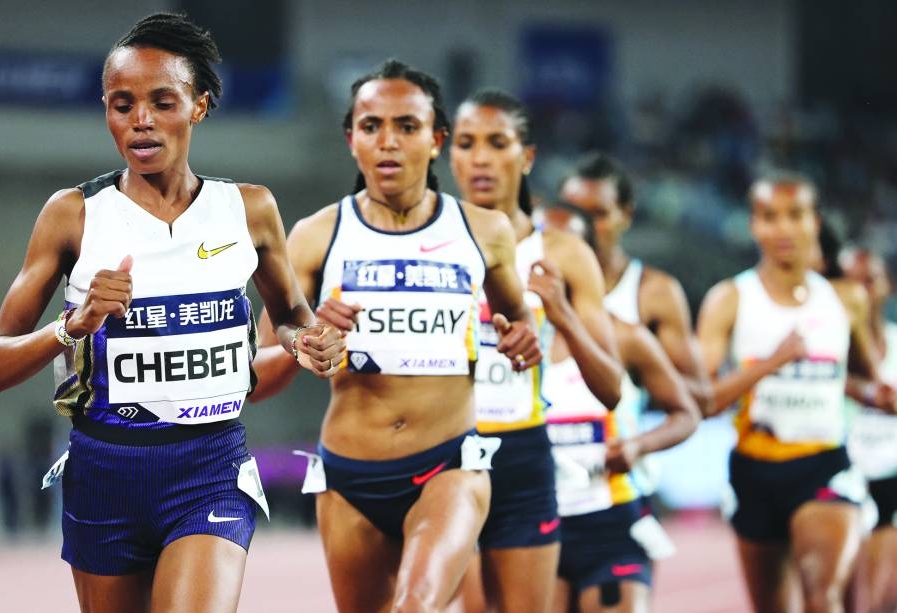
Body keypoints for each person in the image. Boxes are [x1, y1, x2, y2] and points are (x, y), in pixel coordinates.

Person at [0, 13, 344, 613]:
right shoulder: (72, 216)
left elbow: (295, 316)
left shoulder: (248, 211)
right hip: (104, 470)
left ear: (198, 106)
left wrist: (311, 341)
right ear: (105, 110)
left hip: (210, 465)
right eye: (122, 105)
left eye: (161, 102)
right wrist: (69, 327)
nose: (140, 120)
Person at [251, 60, 542, 612]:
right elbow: (258, 378)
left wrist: (522, 339)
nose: (388, 142)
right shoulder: (315, 237)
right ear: (351, 140)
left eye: (406, 127)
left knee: (416, 606)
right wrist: (306, 342)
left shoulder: (484, 232)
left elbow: (518, 322)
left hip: (449, 465)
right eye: (371, 126)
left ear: (435, 141)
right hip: (348, 478)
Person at [447, 89, 622, 612]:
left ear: (526, 157)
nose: (480, 158)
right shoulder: (420, 239)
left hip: (522, 457)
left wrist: (560, 311)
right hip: (445, 456)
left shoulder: (565, 253)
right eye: (466, 143)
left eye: (497, 143)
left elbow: (611, 389)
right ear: (447, 152)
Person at [696, 173, 897, 613]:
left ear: (815, 221)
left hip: (823, 466)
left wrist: (875, 395)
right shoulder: (730, 299)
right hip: (755, 468)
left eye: (796, 216)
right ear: (753, 225)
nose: (783, 229)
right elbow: (701, 399)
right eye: (770, 217)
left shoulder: (845, 300)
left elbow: (863, 373)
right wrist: (772, 362)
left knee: (822, 597)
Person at [541, 203, 700, 613]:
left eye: (562, 247)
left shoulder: (624, 337)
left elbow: (687, 413)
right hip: (536, 525)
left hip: (610, 522)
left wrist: (638, 447)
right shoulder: (511, 335)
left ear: (586, 259)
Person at [553, 153, 713, 415]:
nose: (585, 227)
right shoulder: (536, 285)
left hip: (618, 450)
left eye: (599, 214)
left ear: (626, 215)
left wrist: (644, 369)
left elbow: (702, 400)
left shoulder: (654, 292)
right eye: (575, 212)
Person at [841, 247, 897, 613]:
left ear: (887, 287)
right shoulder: (826, 350)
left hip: (894, 481)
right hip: (841, 482)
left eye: (870, 280)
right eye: (851, 282)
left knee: (882, 606)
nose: (860, 290)